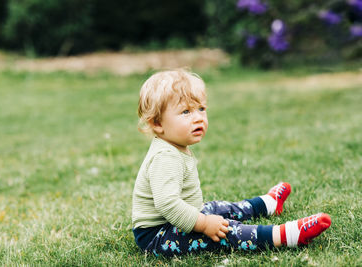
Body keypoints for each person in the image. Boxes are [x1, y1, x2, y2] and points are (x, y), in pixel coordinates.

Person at [131, 69, 331, 257]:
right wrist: (203, 224)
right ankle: (283, 235)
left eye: (201, 109)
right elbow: (168, 204)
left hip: (179, 219)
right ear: (157, 124)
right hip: (158, 235)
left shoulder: (174, 146)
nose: (198, 118)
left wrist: (204, 217)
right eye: (186, 112)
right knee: (223, 232)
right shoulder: (165, 157)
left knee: (217, 208)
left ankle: (265, 204)